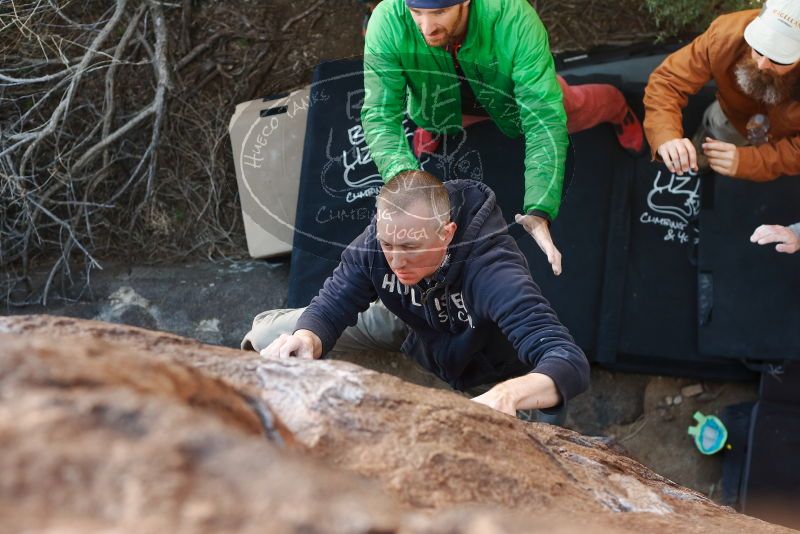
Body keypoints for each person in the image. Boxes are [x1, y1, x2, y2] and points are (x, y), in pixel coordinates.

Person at [243, 171, 590, 419]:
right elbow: (333, 303)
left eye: (410, 247)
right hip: (411, 325)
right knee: (270, 338)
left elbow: (567, 359)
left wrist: (507, 394)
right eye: (387, 244)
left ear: (447, 233)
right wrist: (308, 338)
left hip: (488, 363)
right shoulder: (379, 242)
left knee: (539, 442)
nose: (396, 259)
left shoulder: (493, 270)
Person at [362, 0, 643, 277]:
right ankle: (436, 127)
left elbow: (542, 117)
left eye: (439, 12)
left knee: (573, 109)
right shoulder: (387, 21)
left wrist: (540, 206)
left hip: (512, 101)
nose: (426, 28)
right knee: (433, 120)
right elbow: (380, 114)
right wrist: (410, 189)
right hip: (441, 105)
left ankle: (617, 107)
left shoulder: (514, 17)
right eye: (416, 12)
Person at [643, 0, 800, 180]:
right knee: (717, 127)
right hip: (731, 119)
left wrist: (751, 162)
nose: (762, 64)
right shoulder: (725, 35)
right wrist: (665, 134)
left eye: (779, 58)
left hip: (785, 136)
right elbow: (667, 81)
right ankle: (705, 153)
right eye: (758, 47)